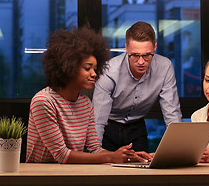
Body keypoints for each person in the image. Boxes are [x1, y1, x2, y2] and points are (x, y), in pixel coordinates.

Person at [26, 26, 152, 164]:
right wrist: (111, 157)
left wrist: (128, 157)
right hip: (41, 178)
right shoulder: (43, 101)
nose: (94, 74)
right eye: (87, 68)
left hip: (72, 175)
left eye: (95, 69)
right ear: (68, 67)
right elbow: (61, 155)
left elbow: (94, 149)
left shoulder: (85, 103)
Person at [92, 21, 182, 152]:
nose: (141, 61)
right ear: (126, 48)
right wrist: (95, 153)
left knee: (142, 170)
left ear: (155, 47)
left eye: (146, 55)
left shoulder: (165, 67)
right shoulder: (109, 70)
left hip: (137, 129)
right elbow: (98, 120)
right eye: (135, 55)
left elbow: (172, 113)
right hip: (108, 129)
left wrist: (179, 151)